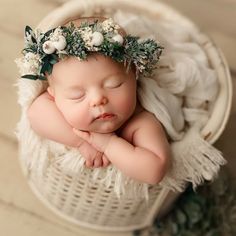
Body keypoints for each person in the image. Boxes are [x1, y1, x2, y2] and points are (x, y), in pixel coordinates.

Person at [18, 18, 171, 184]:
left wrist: (108, 144)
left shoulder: (140, 122)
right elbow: (35, 113)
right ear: (54, 96)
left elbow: (154, 170)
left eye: (114, 85)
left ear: (134, 77)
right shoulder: (52, 101)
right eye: (77, 95)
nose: (98, 100)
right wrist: (82, 142)